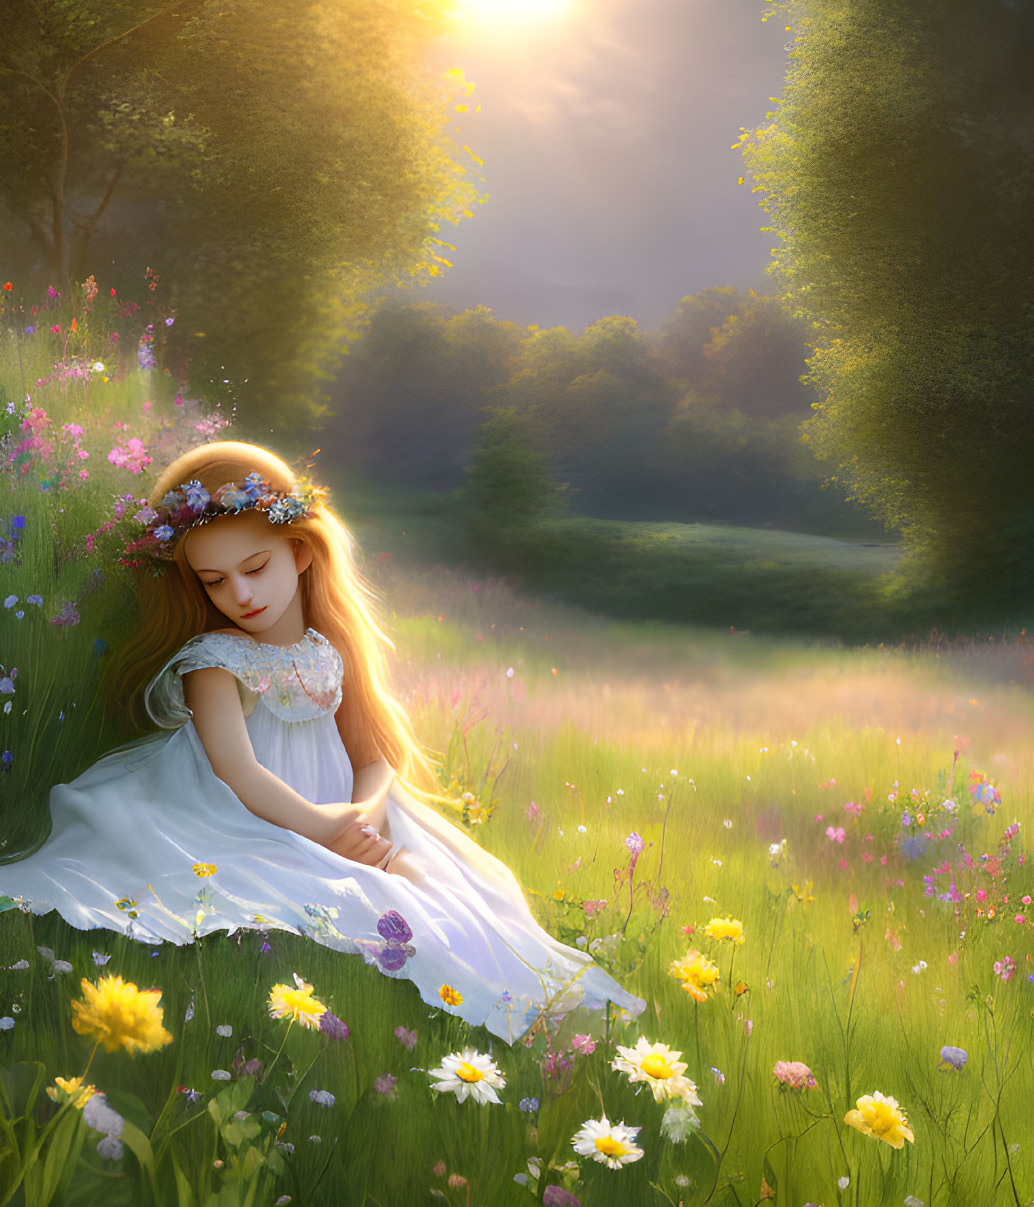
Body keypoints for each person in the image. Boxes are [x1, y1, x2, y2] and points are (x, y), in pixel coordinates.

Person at [0, 441, 644, 1044]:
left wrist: (363, 813)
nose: (240, 594)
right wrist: (321, 825)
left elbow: (374, 751)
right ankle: (506, 1016)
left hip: (344, 811)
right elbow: (236, 773)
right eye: (215, 581)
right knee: (380, 894)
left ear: (300, 552)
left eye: (255, 567)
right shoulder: (213, 661)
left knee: (448, 882)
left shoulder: (327, 649)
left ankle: (540, 1016)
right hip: (245, 815)